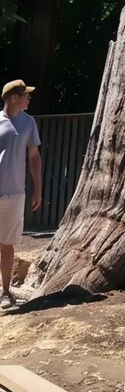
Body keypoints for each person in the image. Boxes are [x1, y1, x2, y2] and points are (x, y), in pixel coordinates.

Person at [0, 79, 42, 309]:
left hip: (15, 193)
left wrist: (38, 189)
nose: (28, 98)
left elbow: (34, 157)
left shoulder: (28, 123)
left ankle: (6, 293)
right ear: (14, 98)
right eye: (25, 95)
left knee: (7, 244)